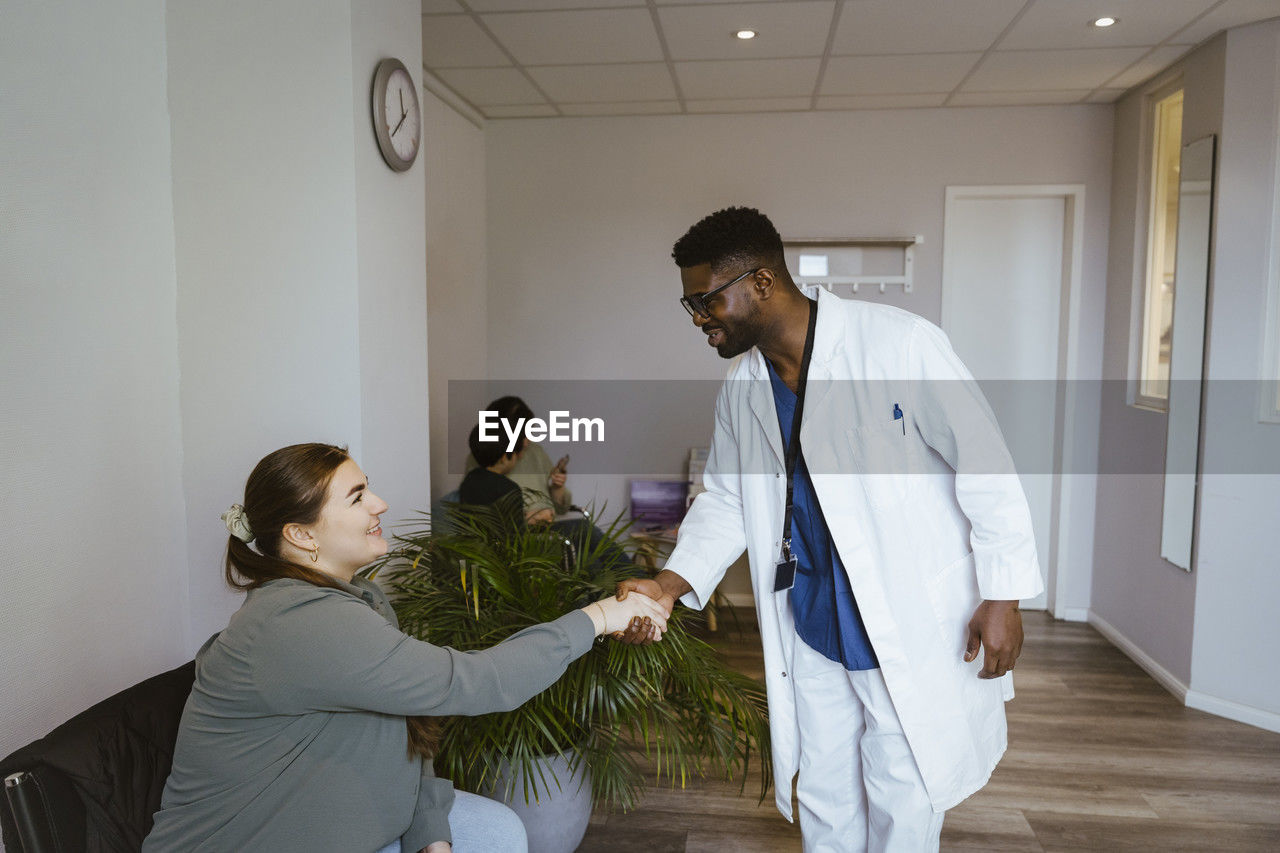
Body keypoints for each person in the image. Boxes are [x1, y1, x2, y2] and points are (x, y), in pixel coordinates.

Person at [617, 207, 1044, 852]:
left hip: (903, 620)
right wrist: (670, 583)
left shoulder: (898, 344)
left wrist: (1004, 593)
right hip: (811, 618)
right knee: (823, 792)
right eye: (690, 306)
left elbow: (985, 464)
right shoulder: (743, 386)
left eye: (705, 301)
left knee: (903, 794)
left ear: (759, 283)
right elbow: (729, 496)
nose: (699, 319)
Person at [143, 443, 667, 853]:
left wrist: (430, 831)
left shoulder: (358, 601)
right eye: (357, 497)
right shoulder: (297, 624)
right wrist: (599, 616)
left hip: (345, 824)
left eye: (368, 488)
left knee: (499, 832)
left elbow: (406, 731)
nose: (380, 504)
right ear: (302, 536)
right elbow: (478, 682)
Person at [459, 421, 555, 527]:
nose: (520, 457)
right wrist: (534, 519)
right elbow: (513, 535)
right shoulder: (508, 489)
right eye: (516, 453)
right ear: (504, 458)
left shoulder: (470, 478)